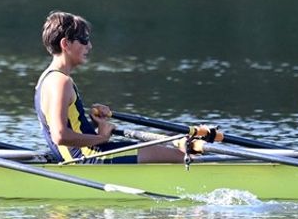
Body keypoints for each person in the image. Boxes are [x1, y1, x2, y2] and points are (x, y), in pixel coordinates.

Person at [35, 11, 185, 163]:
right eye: (84, 40)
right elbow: (60, 136)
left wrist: (93, 123)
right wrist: (101, 138)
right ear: (65, 44)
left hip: (80, 157)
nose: (90, 46)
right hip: (88, 158)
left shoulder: (46, 79)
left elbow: (68, 129)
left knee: (159, 150)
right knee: (178, 156)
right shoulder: (61, 82)